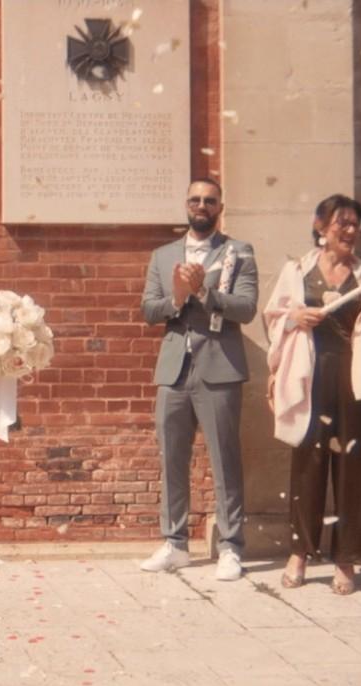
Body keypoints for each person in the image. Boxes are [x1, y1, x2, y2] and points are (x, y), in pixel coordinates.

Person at [265, 195, 361, 593]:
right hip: (311, 376)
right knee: (308, 463)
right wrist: (295, 317)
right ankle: (300, 552)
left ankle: (347, 560)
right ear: (321, 227)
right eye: (342, 224)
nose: (350, 231)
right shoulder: (296, 270)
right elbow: (274, 317)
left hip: (354, 379)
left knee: (355, 469)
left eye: (356, 224)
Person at [139, 178, 259, 579]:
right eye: (195, 199)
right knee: (172, 458)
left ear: (220, 206)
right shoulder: (162, 255)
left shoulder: (238, 252)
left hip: (219, 367)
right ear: (185, 204)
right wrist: (176, 297)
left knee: (225, 459)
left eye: (209, 200)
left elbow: (245, 308)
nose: (201, 205)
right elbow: (149, 310)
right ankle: (174, 544)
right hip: (174, 369)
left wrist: (203, 292)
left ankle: (230, 546)